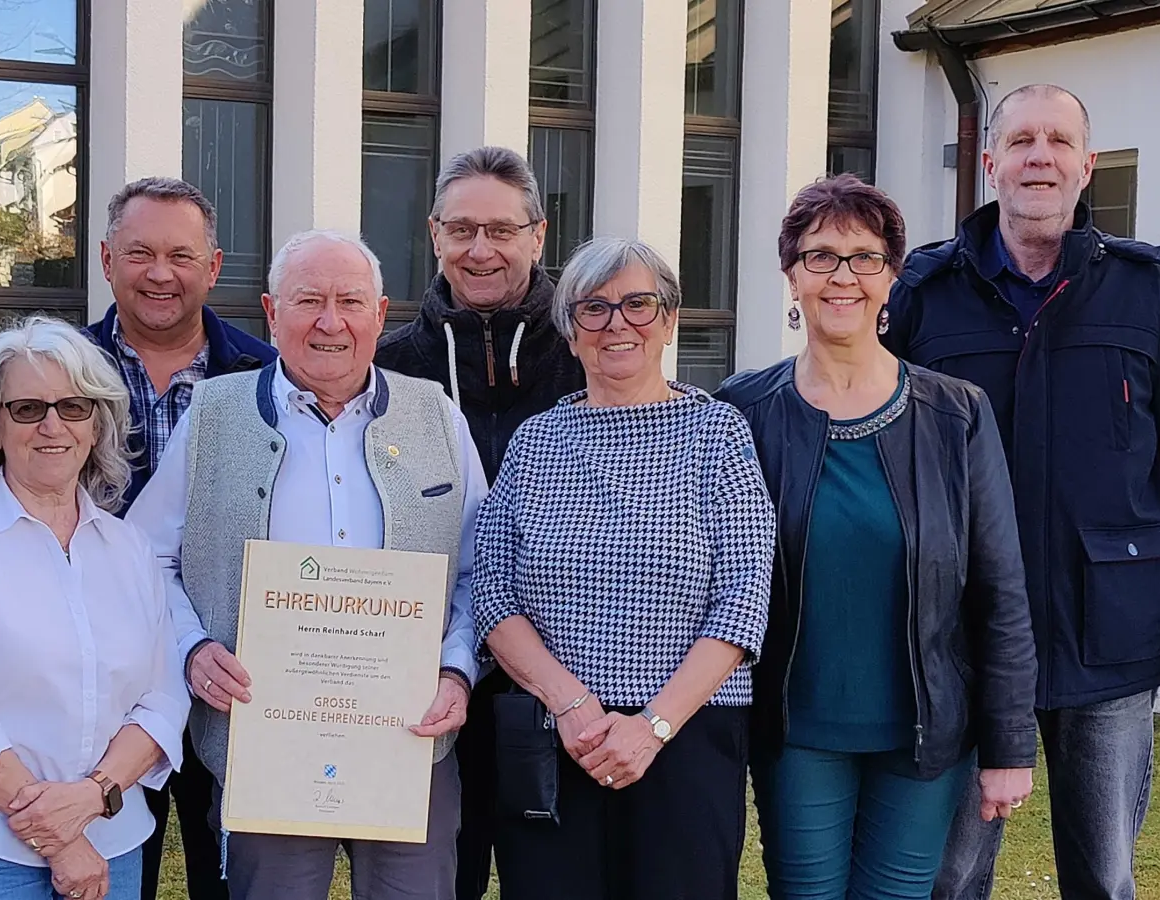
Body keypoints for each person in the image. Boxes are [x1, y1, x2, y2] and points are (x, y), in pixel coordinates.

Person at [879, 85, 1160, 900]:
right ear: (991, 163)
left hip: (1109, 633)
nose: (1037, 155)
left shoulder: (1149, 295)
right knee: (947, 877)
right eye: (1019, 141)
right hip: (959, 633)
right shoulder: (924, 295)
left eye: (1057, 141)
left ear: (1086, 165)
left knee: (1103, 878)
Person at [127, 229, 485, 900]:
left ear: (380, 316)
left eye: (350, 301)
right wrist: (192, 648)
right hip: (265, 738)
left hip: (412, 738)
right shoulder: (213, 416)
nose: (330, 321)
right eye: (308, 300)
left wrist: (457, 671)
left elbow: (479, 567)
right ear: (271, 312)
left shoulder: (436, 416)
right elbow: (143, 556)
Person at [714, 175, 1037, 899]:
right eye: (821, 256)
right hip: (796, 730)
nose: (843, 277)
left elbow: (1001, 590)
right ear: (792, 274)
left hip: (924, 734)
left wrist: (1010, 744)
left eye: (864, 257)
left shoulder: (956, 415)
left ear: (892, 276)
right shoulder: (743, 410)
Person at [471, 236, 775, 899]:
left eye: (639, 304)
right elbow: (491, 588)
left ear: (668, 320)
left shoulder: (718, 435)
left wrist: (653, 727)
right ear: (570, 330)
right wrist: (572, 702)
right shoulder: (536, 444)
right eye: (595, 308)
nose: (618, 324)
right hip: (556, 737)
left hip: (687, 737)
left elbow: (745, 595)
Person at [0, 318, 190, 900]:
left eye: (73, 407)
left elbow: (162, 699)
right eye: (28, 408)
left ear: (96, 424)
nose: (53, 425)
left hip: (112, 836)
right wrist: (61, 840)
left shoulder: (129, 548)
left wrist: (93, 797)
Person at [374, 145, 585, 900]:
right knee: (435, 881)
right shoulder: (387, 368)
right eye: (462, 229)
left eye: (502, 229)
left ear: (538, 234)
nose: (481, 249)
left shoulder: (588, 357)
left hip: (564, 677)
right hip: (421, 676)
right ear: (434, 235)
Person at [84, 176, 276, 900]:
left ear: (214, 266)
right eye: (139, 254)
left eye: (179, 255)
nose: (160, 274)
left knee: (226, 875)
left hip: (232, 668)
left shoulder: (266, 376)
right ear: (106, 260)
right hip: (101, 672)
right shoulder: (58, 372)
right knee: (104, 870)